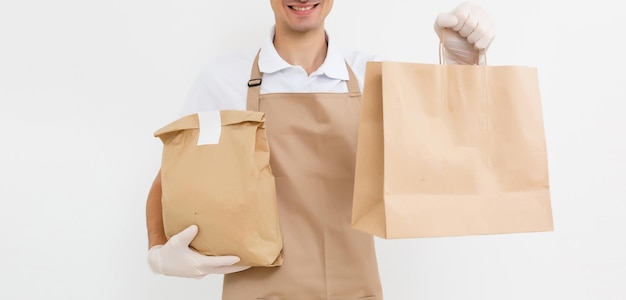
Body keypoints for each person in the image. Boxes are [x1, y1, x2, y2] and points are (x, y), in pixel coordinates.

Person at [145, 1, 496, 299]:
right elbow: (171, 181)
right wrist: (159, 252)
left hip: (354, 289)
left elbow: (442, 156)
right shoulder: (223, 79)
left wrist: (461, 72)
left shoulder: (372, 73)